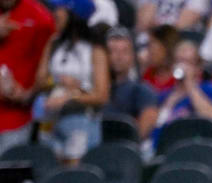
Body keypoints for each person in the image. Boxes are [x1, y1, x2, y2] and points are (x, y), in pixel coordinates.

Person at [38, 0, 109, 161]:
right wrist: (57, 83)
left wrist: (71, 95)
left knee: (76, 176)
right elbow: (40, 81)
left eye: (60, 9)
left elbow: (102, 96)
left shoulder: (94, 49)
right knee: (49, 173)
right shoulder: (55, 43)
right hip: (51, 120)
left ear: (73, 14)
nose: (55, 13)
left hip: (81, 121)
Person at [0, 0, 55, 156]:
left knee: (9, 174)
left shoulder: (40, 17)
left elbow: (52, 66)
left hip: (16, 118)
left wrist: (29, 94)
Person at [155, 37, 212, 136]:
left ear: (198, 68)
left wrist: (190, 85)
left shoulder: (210, 89)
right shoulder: (165, 94)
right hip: (168, 145)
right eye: (179, 61)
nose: (182, 66)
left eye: (187, 62)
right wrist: (170, 102)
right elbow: (156, 127)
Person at [103, 26, 158, 140]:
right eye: (112, 51)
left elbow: (147, 122)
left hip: (126, 148)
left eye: (124, 51)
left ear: (133, 56)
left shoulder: (142, 90)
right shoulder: (93, 91)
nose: (119, 56)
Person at [140, 24, 179, 94]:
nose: (148, 52)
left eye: (151, 46)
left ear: (166, 47)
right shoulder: (147, 75)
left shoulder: (180, 77)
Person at [135, 0, 206, 33]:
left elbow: (182, 23)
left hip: (180, 38)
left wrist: (156, 24)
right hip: (149, 39)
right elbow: (143, 22)